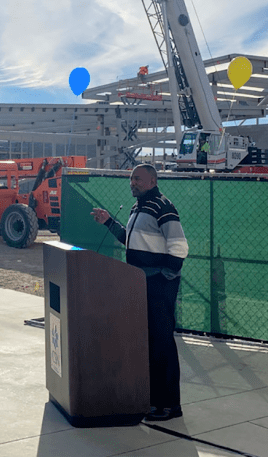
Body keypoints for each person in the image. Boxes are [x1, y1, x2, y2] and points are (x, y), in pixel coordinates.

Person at [90, 164, 189, 421]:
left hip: (157, 285)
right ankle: (154, 400)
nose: (133, 182)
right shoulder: (138, 208)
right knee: (149, 342)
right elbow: (130, 241)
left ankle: (169, 405)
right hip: (139, 282)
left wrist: (165, 274)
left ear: (153, 181)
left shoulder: (162, 207)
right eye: (131, 178)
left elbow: (179, 246)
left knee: (162, 342)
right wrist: (108, 221)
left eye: (138, 179)